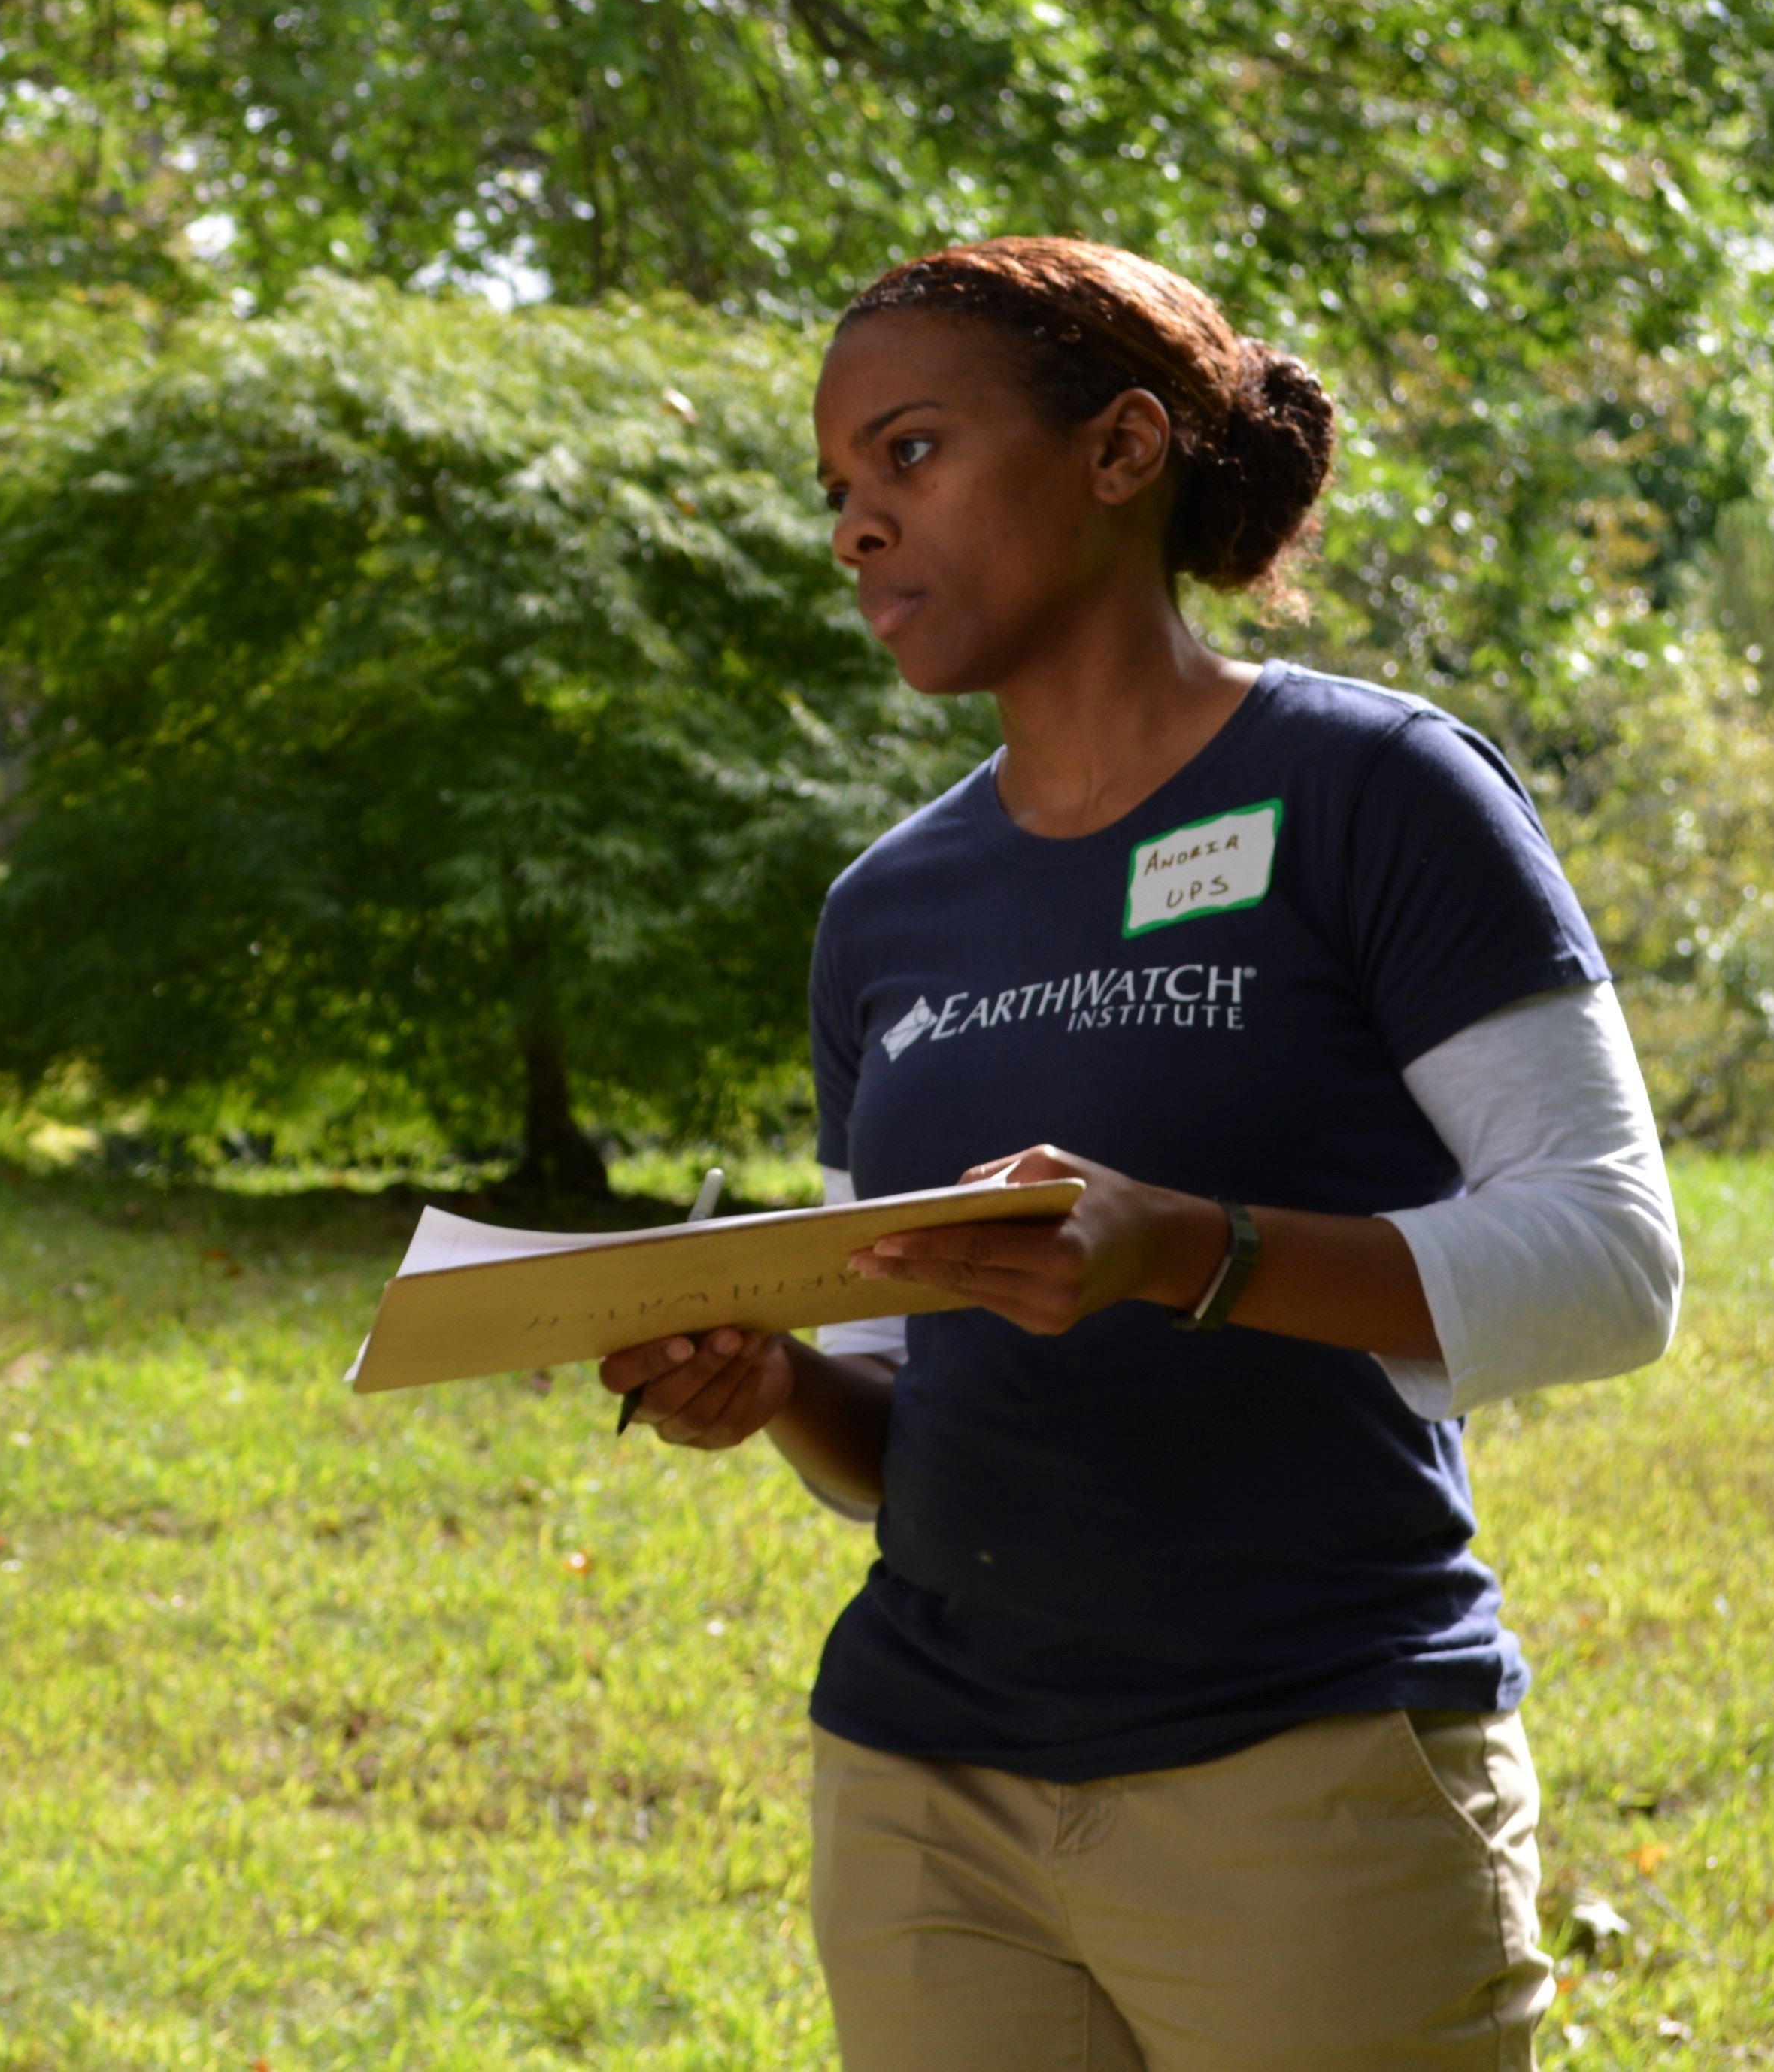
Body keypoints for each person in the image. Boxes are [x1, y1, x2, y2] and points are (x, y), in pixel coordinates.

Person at [596, 238, 1683, 2072]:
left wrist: (1186, 1248)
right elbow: (891, 1423)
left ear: (1122, 452)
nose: (858, 527)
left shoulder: (1378, 794)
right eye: (839, 490)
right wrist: (775, 1382)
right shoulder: (887, 913)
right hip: (925, 1787)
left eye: (914, 455)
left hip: (1306, 1767)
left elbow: (1608, 1267)